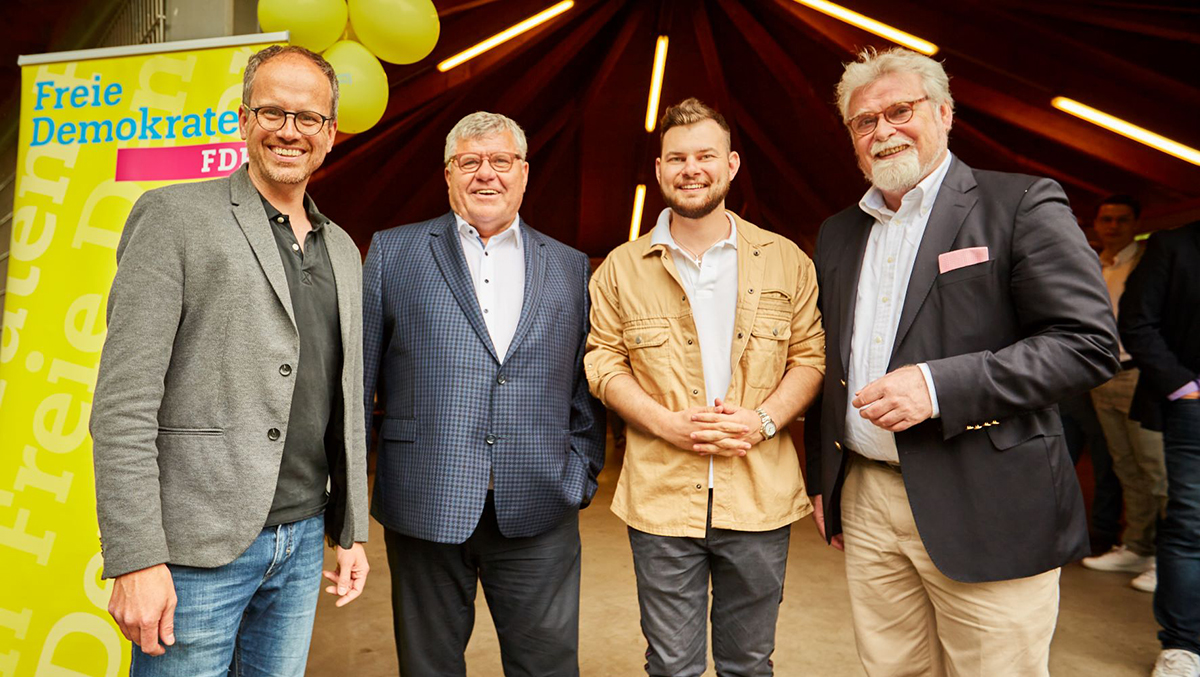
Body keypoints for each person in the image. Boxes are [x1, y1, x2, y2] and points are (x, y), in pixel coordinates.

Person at [807, 47, 1119, 677]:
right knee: (891, 669)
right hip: (868, 498)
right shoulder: (839, 232)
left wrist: (939, 385)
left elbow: (1086, 343)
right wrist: (826, 480)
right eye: (865, 122)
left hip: (988, 498)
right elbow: (826, 359)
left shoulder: (1020, 203)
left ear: (945, 114)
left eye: (900, 110)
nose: (883, 130)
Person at [91, 45, 369, 675]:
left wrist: (352, 529)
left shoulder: (345, 250)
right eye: (273, 111)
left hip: (302, 540)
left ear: (329, 133)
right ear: (244, 120)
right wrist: (136, 557)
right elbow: (124, 403)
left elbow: (342, 396)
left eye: (308, 118)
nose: (289, 131)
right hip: (195, 550)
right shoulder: (174, 217)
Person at [585, 98, 825, 676]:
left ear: (732, 165)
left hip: (759, 499)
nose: (691, 168)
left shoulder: (786, 261)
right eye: (677, 158)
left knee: (749, 663)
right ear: (661, 170)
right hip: (663, 499)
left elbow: (810, 358)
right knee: (671, 666)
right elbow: (602, 362)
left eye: (705, 156)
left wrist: (762, 421)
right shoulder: (621, 267)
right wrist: (663, 422)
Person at [362, 111, 605, 676]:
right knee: (429, 669)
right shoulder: (393, 253)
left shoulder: (569, 267)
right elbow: (361, 380)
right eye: (469, 162)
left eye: (500, 161)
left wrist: (579, 473)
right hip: (424, 500)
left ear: (523, 173)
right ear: (448, 174)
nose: (485, 174)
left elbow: (583, 382)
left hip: (540, 505)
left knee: (546, 668)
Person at [1119, 219, 1200, 677]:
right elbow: (1136, 321)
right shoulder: (1173, 244)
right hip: (1193, 407)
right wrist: (1183, 388)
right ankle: (1183, 645)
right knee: (1190, 525)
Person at [1081, 195, 1166, 592]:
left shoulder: (1147, 262)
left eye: (1121, 219)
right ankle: (1137, 545)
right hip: (1101, 373)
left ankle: (1170, 558)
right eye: (1106, 218)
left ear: (1135, 222)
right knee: (1124, 465)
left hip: (1139, 374)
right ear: (1096, 223)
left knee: (1156, 468)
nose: (1112, 226)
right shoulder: (1093, 265)